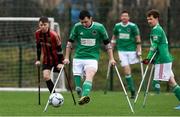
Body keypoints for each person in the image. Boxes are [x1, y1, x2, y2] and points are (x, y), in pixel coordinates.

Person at [63, 10, 116, 105]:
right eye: (82, 22)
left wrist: (111, 58)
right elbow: (69, 43)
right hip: (78, 58)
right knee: (78, 87)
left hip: (92, 58)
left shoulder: (99, 27)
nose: (84, 24)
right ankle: (80, 92)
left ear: (91, 18)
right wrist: (66, 57)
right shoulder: (77, 27)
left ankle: (84, 96)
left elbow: (107, 44)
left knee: (89, 74)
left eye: (86, 22)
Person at [143, 9, 180, 109]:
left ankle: (157, 93)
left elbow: (154, 46)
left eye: (151, 19)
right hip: (163, 59)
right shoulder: (157, 29)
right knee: (172, 81)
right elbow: (158, 46)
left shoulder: (156, 30)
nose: (149, 21)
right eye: (147, 19)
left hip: (163, 60)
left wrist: (148, 58)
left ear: (156, 18)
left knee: (156, 82)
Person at [111, 10, 142, 99]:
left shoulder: (133, 26)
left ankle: (132, 86)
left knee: (131, 70)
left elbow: (138, 38)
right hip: (122, 51)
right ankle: (132, 90)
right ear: (121, 17)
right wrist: (111, 48)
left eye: (126, 16)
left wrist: (138, 49)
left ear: (129, 17)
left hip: (132, 51)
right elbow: (113, 37)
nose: (124, 17)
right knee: (126, 69)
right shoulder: (117, 26)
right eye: (123, 16)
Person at [35, 16, 64, 93]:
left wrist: (61, 62)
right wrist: (38, 59)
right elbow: (38, 47)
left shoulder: (54, 35)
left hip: (56, 59)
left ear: (48, 24)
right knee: (46, 76)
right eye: (41, 25)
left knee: (57, 73)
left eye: (45, 25)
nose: (43, 27)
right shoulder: (37, 33)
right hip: (46, 59)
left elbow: (59, 49)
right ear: (39, 25)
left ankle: (55, 95)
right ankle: (54, 95)